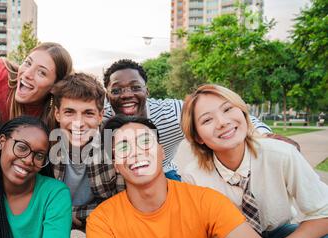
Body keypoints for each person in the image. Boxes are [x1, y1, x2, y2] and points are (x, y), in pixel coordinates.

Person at [86, 115, 295, 238]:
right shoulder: (102, 219)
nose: (136, 153)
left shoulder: (204, 200)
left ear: (161, 152)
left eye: (145, 143)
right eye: (123, 147)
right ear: (115, 163)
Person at [179, 84, 328, 238]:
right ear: (198, 137)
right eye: (207, 120)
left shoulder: (281, 153)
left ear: (242, 111)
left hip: (280, 233)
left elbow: (323, 212)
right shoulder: (194, 177)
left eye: (228, 109)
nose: (222, 122)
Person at [103, 59, 272, 181]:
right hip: (114, 176)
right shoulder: (99, 116)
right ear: (107, 95)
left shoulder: (171, 112)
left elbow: (225, 114)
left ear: (147, 91)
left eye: (135, 87)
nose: (126, 95)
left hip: (162, 173)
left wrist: (265, 136)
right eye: (117, 90)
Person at [47, 72, 125, 229]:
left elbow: (121, 203)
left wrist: (74, 214)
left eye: (88, 113)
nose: (78, 123)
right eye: (69, 112)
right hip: (53, 216)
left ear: (100, 116)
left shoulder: (115, 146)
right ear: (57, 114)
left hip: (99, 219)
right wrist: (62, 213)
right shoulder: (45, 144)